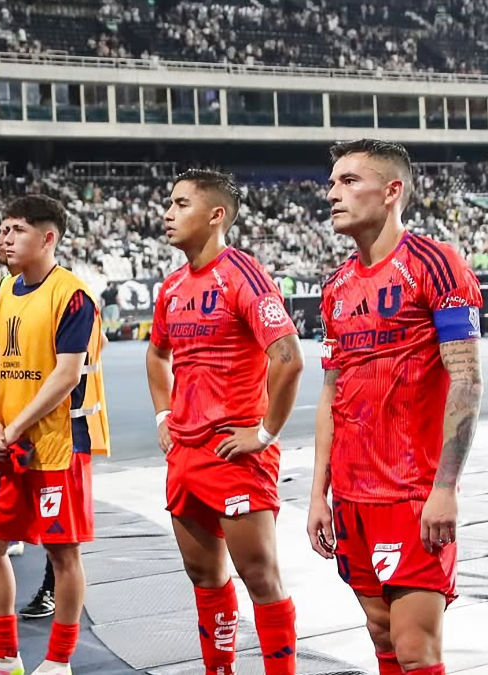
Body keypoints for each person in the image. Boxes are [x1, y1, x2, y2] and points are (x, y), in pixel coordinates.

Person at [308, 139, 482, 675]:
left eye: (348, 181)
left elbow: (467, 379)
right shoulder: (336, 287)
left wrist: (445, 488)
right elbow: (332, 394)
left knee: (415, 650)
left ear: (391, 191)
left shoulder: (436, 264)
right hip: (352, 497)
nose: (332, 193)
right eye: (332, 182)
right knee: (381, 635)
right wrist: (318, 495)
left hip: (413, 495)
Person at [147, 170, 302, 675]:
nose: (167, 214)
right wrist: (164, 414)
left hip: (235, 455)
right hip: (185, 455)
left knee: (259, 578)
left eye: (180, 204)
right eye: (169, 203)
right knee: (203, 575)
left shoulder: (242, 274)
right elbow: (157, 355)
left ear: (216, 215)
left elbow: (288, 358)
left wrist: (265, 433)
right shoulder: (172, 287)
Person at [0, 195, 94, 675]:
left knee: (62, 553)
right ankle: (3, 657)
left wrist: (12, 427)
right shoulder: (7, 289)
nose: (4, 239)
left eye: (16, 230)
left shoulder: (72, 295)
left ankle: (58, 661)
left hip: (56, 445)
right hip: (5, 444)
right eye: (3, 229)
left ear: (48, 238)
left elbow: (66, 375)